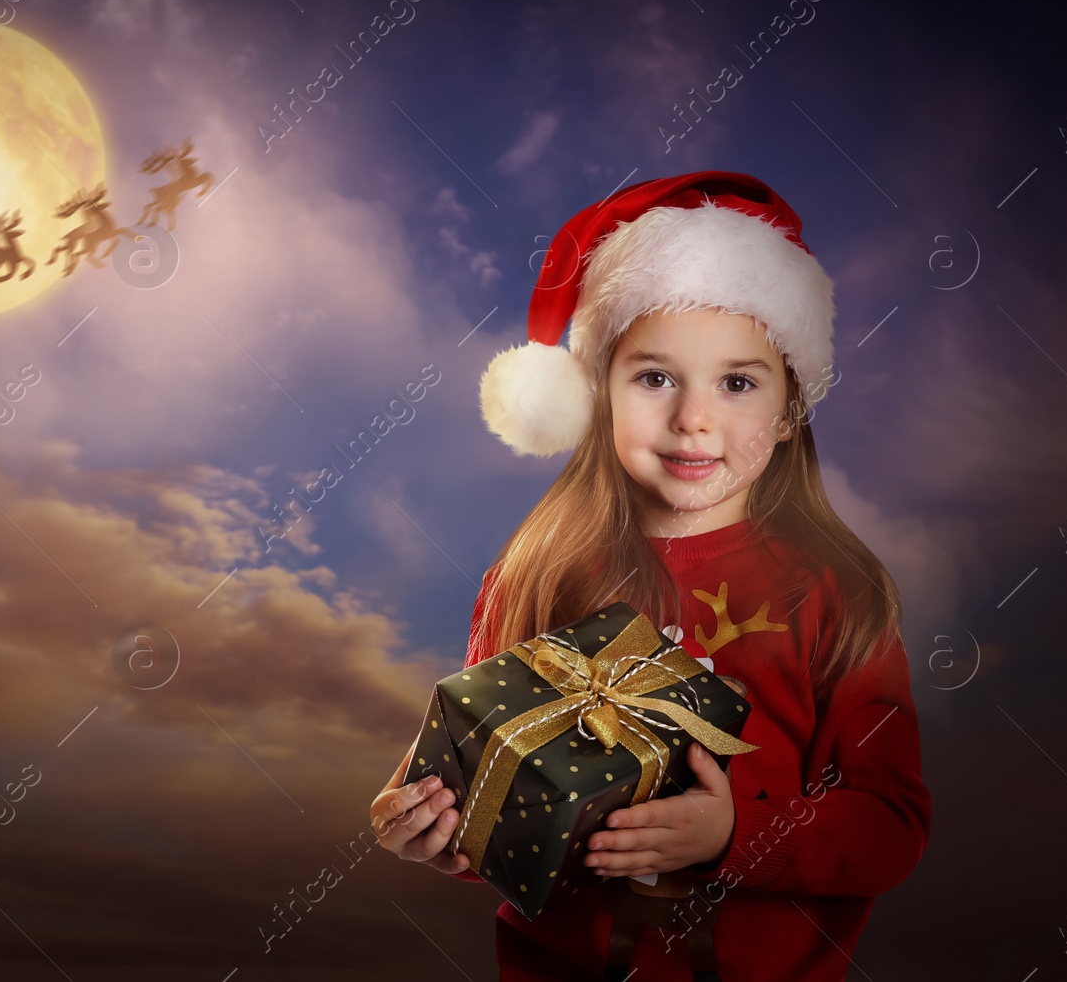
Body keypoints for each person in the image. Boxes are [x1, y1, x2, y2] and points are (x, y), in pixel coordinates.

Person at [369, 172, 930, 980]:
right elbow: (506, 793)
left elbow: (891, 823)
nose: (693, 417)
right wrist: (440, 826)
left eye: (737, 381)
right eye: (655, 376)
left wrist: (734, 836)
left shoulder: (836, 592)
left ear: (787, 409)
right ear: (597, 392)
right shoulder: (535, 573)